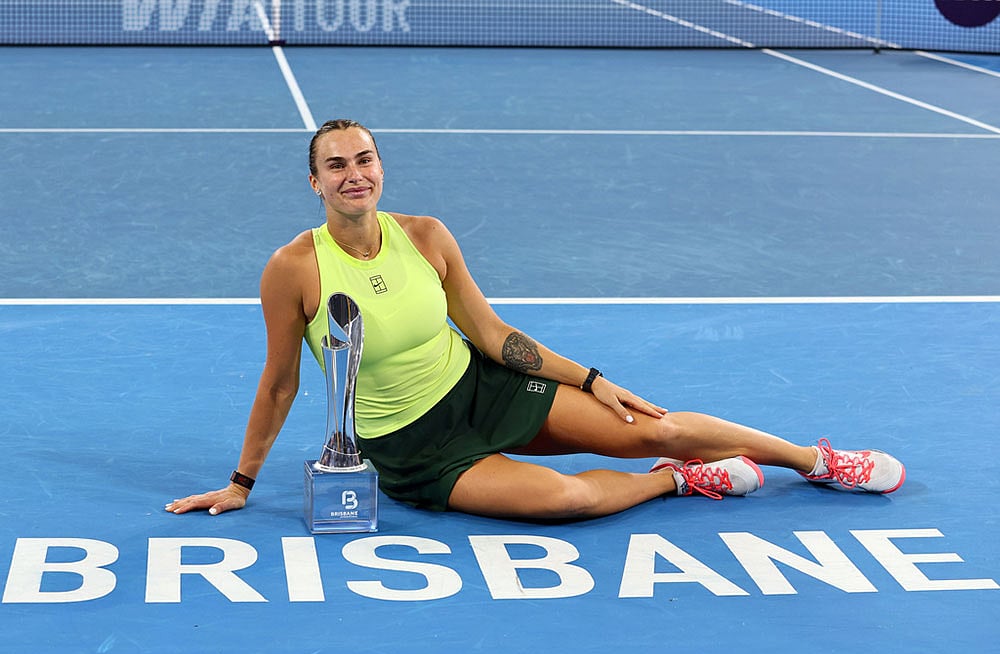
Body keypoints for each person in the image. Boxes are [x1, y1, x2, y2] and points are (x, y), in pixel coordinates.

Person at [166, 119, 905, 521]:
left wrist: (591, 377)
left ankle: (819, 462)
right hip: (414, 449)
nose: (354, 173)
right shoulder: (293, 268)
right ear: (314, 182)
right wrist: (240, 481)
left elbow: (490, 335)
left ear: (381, 167)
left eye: (365, 158)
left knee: (656, 423)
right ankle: (680, 483)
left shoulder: (426, 234)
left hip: (481, 388)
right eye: (336, 165)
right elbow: (279, 385)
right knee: (569, 498)